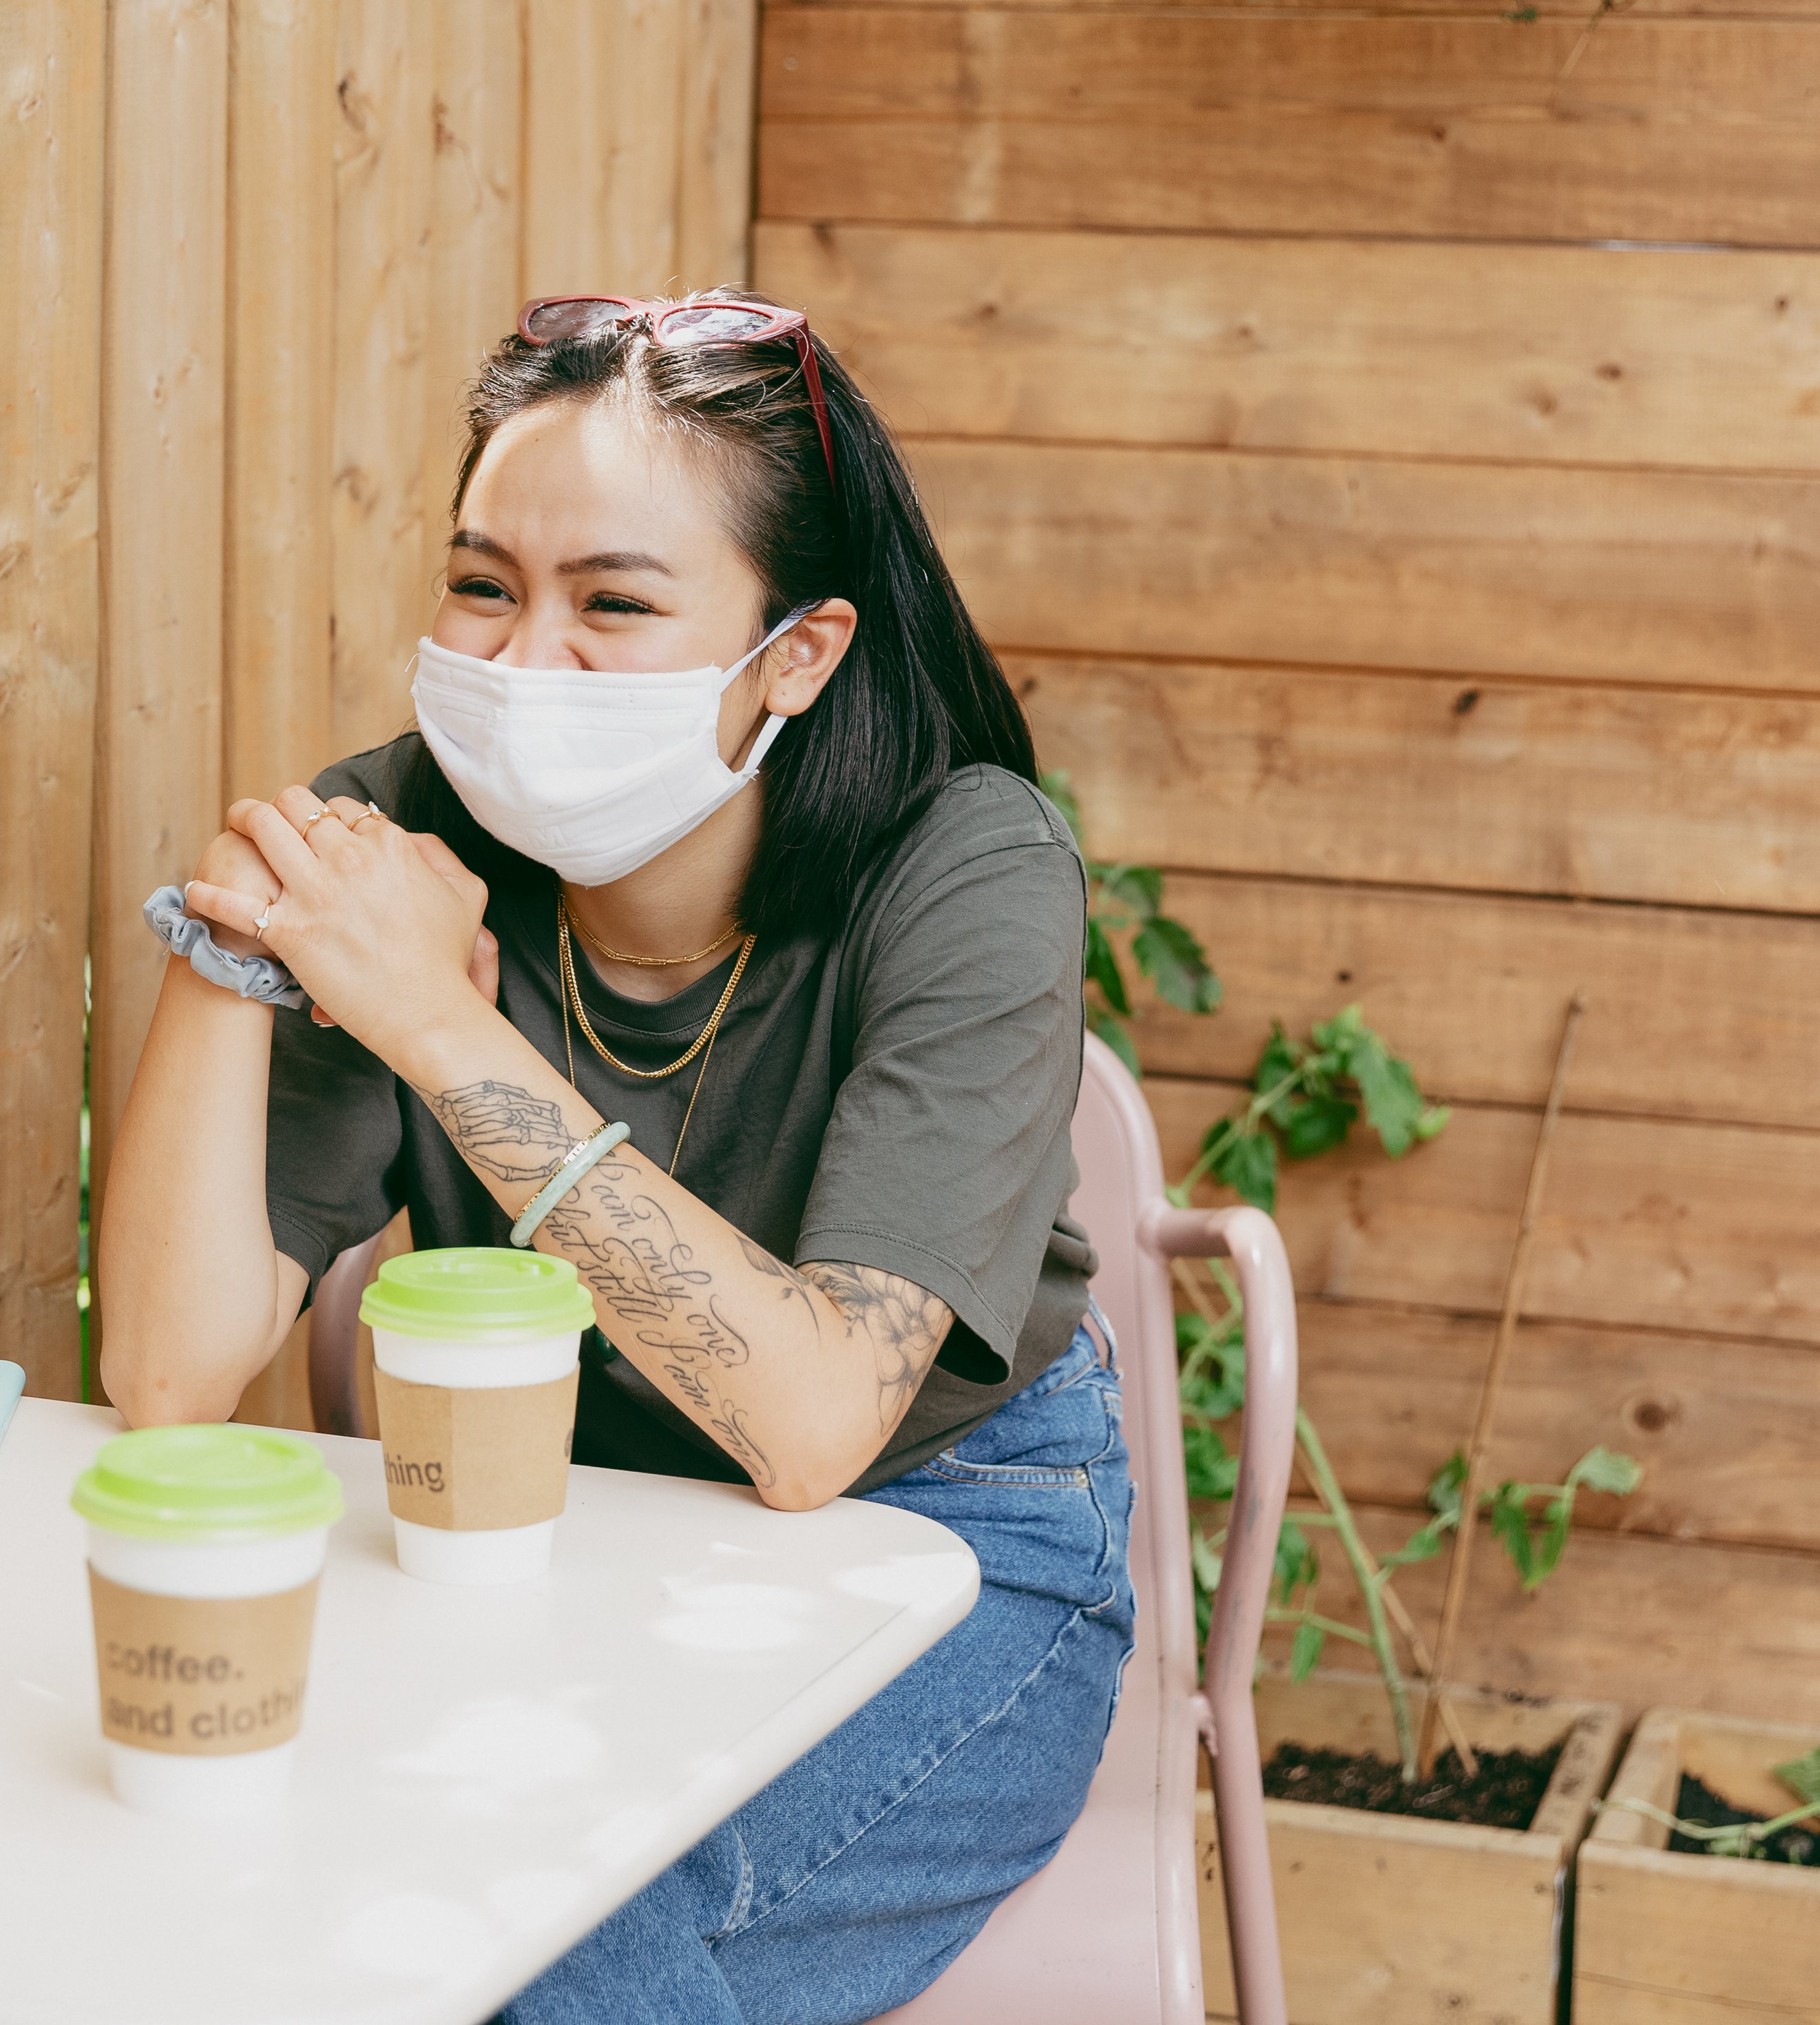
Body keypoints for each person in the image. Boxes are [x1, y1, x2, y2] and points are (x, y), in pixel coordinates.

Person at [97, 293, 1130, 2024]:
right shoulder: (404, 848)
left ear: (794, 654)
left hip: (949, 1541)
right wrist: (239, 942)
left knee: (541, 1935)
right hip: (549, 1547)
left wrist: (437, 1026)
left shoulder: (968, 863)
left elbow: (808, 1429)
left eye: (615, 604)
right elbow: (164, 1366)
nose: (518, 664)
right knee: (256, 1867)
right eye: (484, 584)